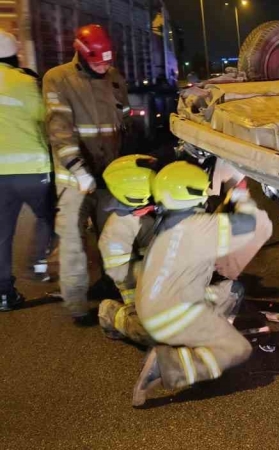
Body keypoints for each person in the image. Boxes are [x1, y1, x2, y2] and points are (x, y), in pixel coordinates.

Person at [131, 162, 273, 406]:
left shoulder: (169, 222)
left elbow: (213, 223)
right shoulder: (198, 227)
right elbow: (248, 224)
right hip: (174, 313)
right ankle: (168, 366)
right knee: (238, 349)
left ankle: (204, 339)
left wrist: (226, 203)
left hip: (154, 304)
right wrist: (240, 193)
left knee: (232, 290)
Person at [42, 24, 132, 322]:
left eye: (107, 61)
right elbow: (59, 129)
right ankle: (77, 304)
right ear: (82, 55)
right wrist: (78, 169)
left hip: (110, 174)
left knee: (113, 236)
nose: (104, 67)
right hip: (75, 178)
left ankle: (112, 287)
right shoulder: (58, 79)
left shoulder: (114, 77)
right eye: (98, 63)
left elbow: (125, 122)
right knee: (72, 240)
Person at [0, 29, 55, 312]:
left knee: (2, 235)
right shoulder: (24, 82)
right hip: (32, 170)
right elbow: (45, 118)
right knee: (51, 217)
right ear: (13, 54)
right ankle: (39, 264)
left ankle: (4, 294)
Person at [97, 155, 158, 346]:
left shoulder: (142, 217)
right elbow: (122, 274)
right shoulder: (117, 228)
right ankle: (110, 313)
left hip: (155, 285)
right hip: (138, 292)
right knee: (153, 334)